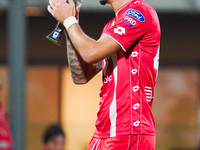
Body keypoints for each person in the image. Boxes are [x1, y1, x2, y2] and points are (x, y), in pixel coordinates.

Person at [47, 0, 161, 149]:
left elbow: (91, 53)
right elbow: (81, 76)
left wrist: (69, 21)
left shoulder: (139, 13)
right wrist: (71, 26)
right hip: (104, 131)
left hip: (129, 130)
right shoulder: (112, 25)